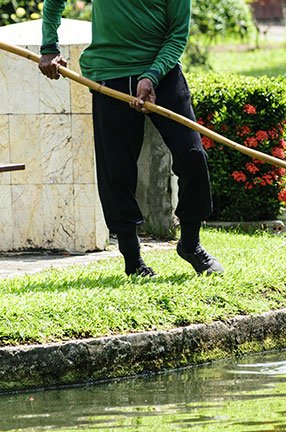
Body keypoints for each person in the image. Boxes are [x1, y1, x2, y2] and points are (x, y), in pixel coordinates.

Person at [38, 0, 223, 277]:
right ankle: (132, 259)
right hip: (108, 75)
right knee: (116, 170)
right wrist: (49, 48)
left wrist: (152, 76)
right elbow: (53, 2)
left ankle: (190, 243)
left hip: (163, 72)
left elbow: (177, 35)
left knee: (193, 155)